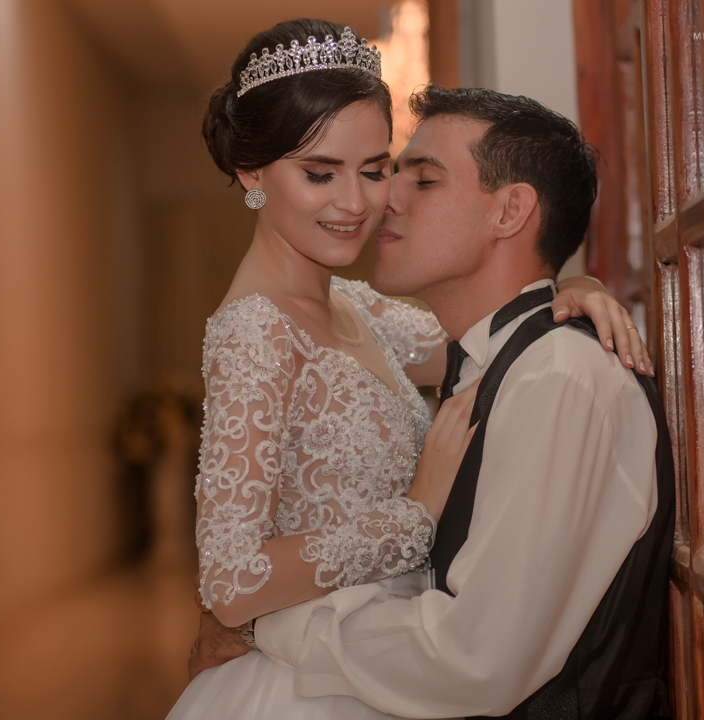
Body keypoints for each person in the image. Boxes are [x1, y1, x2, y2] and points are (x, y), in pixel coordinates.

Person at [168, 18, 651, 720]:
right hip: (308, 686)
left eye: (375, 170)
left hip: (385, 659)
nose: (358, 203)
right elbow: (229, 579)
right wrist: (413, 515)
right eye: (319, 173)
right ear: (251, 172)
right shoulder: (254, 332)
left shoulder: (359, 308)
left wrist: (574, 288)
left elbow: (491, 340)